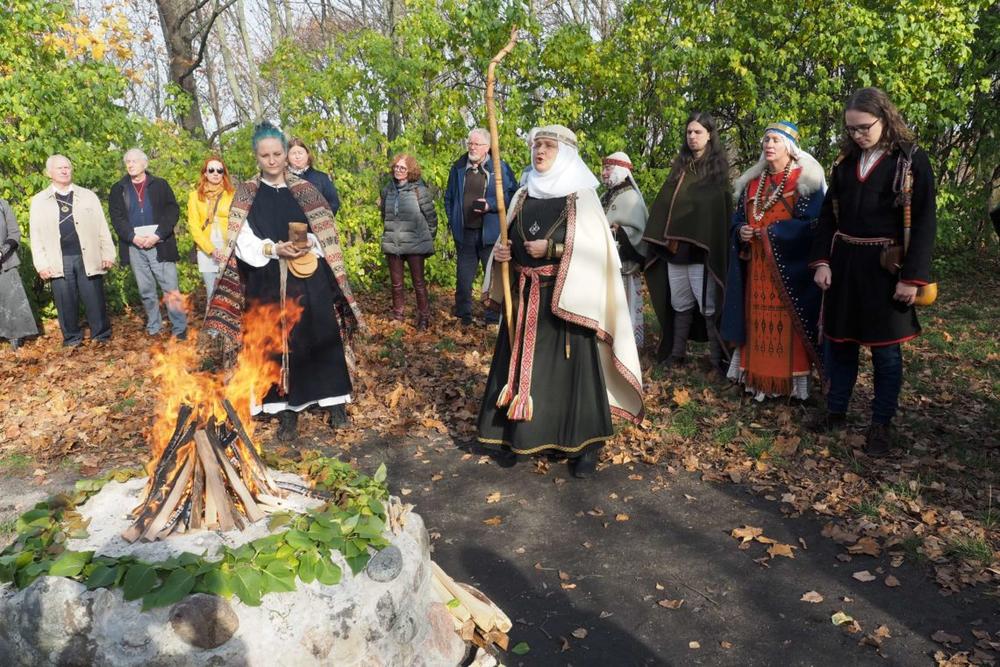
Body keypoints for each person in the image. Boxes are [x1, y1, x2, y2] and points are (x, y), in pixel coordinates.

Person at [477, 125, 643, 478]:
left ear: (565, 153)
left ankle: (584, 446)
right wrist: (504, 254)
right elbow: (511, 238)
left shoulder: (581, 198)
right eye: (536, 145)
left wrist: (553, 249)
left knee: (572, 376)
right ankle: (520, 437)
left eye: (548, 146)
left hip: (567, 304)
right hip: (525, 297)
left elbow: (598, 251)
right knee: (523, 367)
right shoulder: (523, 195)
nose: (539, 152)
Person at [204, 121, 363, 441]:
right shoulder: (246, 193)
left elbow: (325, 232)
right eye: (266, 155)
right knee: (275, 341)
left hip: (307, 277)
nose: (273, 160)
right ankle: (285, 410)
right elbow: (242, 239)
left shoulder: (306, 191)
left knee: (319, 335)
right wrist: (272, 248)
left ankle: (334, 403)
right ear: (257, 157)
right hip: (265, 277)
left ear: (286, 154)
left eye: (278, 153)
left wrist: (306, 245)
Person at [810, 87, 936, 456]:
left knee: (885, 355)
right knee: (841, 345)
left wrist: (911, 278)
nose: (858, 135)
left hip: (886, 269)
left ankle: (881, 424)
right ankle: (836, 412)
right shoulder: (844, 164)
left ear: (885, 117)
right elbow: (827, 217)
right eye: (851, 129)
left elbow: (925, 222)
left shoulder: (910, 161)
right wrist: (822, 261)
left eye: (864, 127)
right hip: (845, 266)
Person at [720, 121, 825, 400]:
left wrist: (770, 233)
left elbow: (813, 225)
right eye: (766, 140)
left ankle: (789, 388)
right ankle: (757, 384)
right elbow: (737, 221)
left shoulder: (805, 182)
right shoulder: (752, 182)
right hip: (755, 269)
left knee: (788, 326)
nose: (769, 145)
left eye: (775, 141)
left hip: (789, 272)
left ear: (789, 148)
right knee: (754, 323)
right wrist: (740, 231)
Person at [644, 112, 732, 371]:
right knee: (680, 303)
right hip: (675, 252)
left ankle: (717, 360)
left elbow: (717, 215)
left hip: (700, 254)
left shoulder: (716, 174)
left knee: (708, 306)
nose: (692, 137)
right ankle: (677, 354)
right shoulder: (680, 169)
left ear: (709, 136)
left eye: (698, 132)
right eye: (689, 132)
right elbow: (664, 207)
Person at [28, 155, 115, 347]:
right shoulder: (39, 201)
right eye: (60, 168)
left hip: (88, 255)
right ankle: (72, 339)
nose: (65, 170)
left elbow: (102, 226)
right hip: (58, 259)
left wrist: (108, 253)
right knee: (65, 301)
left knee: (94, 298)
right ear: (49, 173)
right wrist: (41, 264)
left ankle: (101, 336)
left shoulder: (88, 196)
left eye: (67, 167)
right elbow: (36, 235)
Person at [109, 148, 188, 340]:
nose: (130, 164)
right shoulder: (118, 189)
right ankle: (154, 326)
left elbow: (172, 211)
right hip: (134, 246)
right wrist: (132, 237)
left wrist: (158, 234)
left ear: (145, 164)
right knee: (146, 290)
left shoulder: (160, 185)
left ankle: (179, 328)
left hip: (159, 244)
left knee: (170, 287)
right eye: (127, 161)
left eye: (134, 161)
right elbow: (117, 218)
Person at [444, 128, 518, 326]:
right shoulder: (458, 167)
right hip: (465, 232)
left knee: (492, 276)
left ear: (487, 147)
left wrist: (490, 205)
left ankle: (492, 317)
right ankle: (463, 315)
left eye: (477, 144)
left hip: (490, 234)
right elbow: (449, 197)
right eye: (470, 143)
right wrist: (454, 222)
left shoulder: (499, 167)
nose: (472, 147)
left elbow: (513, 196)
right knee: (463, 277)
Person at [379, 153, 437, 328]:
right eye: (396, 167)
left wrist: (427, 238)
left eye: (402, 168)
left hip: (415, 244)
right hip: (393, 243)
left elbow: (432, 218)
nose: (398, 170)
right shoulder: (387, 190)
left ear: (410, 171)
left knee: (419, 283)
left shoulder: (420, 190)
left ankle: (424, 317)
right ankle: (398, 316)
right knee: (396, 284)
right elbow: (385, 216)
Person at [600, 152, 648, 348]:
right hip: (604, 263)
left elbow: (639, 232)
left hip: (624, 265)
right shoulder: (606, 195)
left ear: (620, 170)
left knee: (624, 308)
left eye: (608, 168)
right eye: (603, 168)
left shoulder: (631, 197)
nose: (603, 173)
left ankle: (627, 347)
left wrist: (619, 232)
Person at [187, 156, 235, 299]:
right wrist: (211, 250)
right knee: (212, 294)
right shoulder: (194, 196)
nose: (215, 173)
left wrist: (229, 248)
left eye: (219, 170)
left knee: (231, 294)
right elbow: (194, 226)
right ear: (205, 173)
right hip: (206, 250)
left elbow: (237, 222)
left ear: (223, 174)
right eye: (211, 170)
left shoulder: (232, 194)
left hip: (229, 248)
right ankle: (212, 321)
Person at [1, 197, 39, 349]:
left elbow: (14, 234)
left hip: (5, 261)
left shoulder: (3, 205)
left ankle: (15, 335)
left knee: (12, 300)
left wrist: (2, 251)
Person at [288, 138, 341, 216]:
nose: (297, 157)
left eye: (300, 153)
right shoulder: (280, 180)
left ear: (307, 154)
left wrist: (320, 218)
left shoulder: (322, 178)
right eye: (293, 153)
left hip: (318, 225)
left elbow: (333, 203)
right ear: (287, 157)